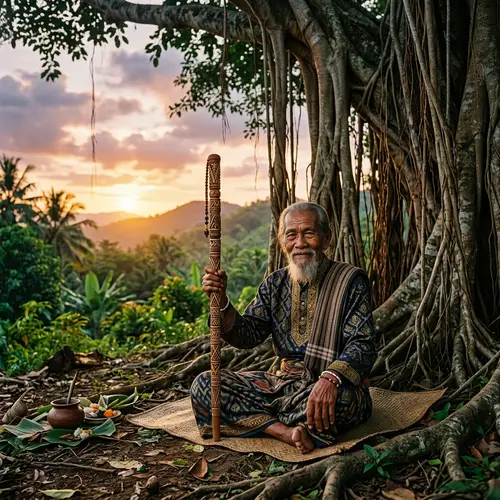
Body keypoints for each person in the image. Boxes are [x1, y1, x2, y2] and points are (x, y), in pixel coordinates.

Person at [190, 202, 377, 454]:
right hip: (281, 384)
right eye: (291, 234)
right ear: (282, 241)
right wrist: (221, 299)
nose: (299, 242)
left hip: (329, 385)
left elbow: (362, 343)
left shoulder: (350, 281)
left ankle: (265, 419)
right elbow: (248, 334)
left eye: (308, 233)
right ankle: (286, 432)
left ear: (326, 238)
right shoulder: (274, 283)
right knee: (205, 384)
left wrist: (330, 378)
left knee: (342, 401)